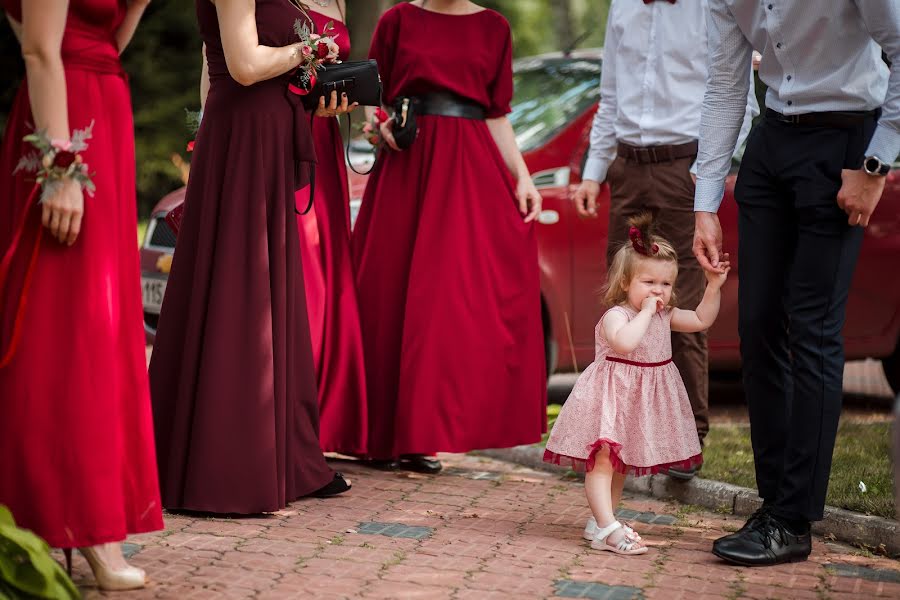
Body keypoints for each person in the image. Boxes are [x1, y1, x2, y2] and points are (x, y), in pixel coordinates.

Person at [693, 0, 899, 566]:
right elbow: (724, 84)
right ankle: (773, 502)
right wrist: (705, 203)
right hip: (771, 140)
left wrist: (878, 163)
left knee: (811, 329)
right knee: (757, 324)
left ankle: (793, 517)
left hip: (844, 144)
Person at [149, 0, 350, 515]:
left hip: (265, 133)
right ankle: (224, 464)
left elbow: (223, 64)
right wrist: (311, 50)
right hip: (242, 134)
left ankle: (276, 453)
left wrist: (317, 85)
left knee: (267, 300)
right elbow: (242, 65)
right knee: (239, 294)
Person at [0, 0, 162, 590]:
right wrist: (61, 168)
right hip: (65, 128)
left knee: (101, 325)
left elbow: (107, 43)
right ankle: (58, 516)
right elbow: (40, 47)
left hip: (103, 107)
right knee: (61, 324)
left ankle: (89, 515)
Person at [352, 0, 547, 473]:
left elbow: (496, 112)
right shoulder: (396, 20)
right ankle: (379, 436)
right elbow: (371, 97)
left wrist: (522, 176)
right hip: (408, 164)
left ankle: (420, 435)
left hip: (468, 170)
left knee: (445, 301)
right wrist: (381, 127)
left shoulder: (494, 28)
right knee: (389, 292)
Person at [572, 0, 758, 479]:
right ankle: (615, 434)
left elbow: (741, 97)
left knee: (677, 305)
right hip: (627, 169)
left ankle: (686, 440)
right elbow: (609, 96)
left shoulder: (711, 7)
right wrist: (595, 173)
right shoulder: (623, 7)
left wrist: (708, 171)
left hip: (685, 170)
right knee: (623, 301)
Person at [544, 213, 729, 555]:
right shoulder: (619, 315)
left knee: (619, 467)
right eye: (649, 282)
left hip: (639, 401)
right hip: (611, 399)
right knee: (602, 461)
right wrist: (645, 312)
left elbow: (702, 319)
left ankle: (603, 521)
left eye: (665, 284)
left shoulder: (665, 315)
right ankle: (607, 528)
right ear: (625, 282)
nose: (658, 291)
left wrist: (713, 286)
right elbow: (625, 343)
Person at [296, 0, 369, 456]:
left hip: (325, 141)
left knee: (329, 277)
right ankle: (294, 421)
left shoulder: (338, 0)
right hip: (286, 136)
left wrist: (343, 95)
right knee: (306, 285)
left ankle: (322, 425)